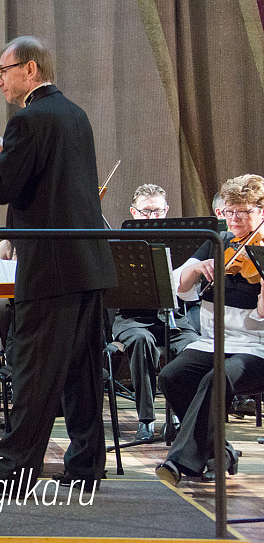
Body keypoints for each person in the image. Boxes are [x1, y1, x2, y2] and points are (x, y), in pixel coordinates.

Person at [0, 35, 117, 488]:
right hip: (88, 265)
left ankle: (12, 473)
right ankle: (85, 469)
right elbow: (48, 178)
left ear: (31, 70)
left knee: (34, 374)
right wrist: (11, 155)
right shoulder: (73, 114)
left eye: (4, 71)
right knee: (82, 375)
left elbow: (1, 190)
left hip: (52, 269)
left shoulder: (29, 120)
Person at [155, 174, 264, 485]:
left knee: (216, 378)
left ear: (261, 211)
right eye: (229, 211)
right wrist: (195, 270)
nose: (235, 219)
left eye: (243, 212)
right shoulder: (219, 242)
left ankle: (180, 462)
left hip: (255, 347)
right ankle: (220, 451)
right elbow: (179, 283)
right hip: (214, 341)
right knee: (172, 376)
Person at [110, 184, 198, 441]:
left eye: (157, 212)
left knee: (194, 344)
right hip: (132, 319)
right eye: (146, 212)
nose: (152, 218)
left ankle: (184, 416)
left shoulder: (179, 245)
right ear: (133, 213)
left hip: (172, 316)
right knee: (141, 341)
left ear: (166, 211)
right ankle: (145, 420)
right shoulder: (120, 244)